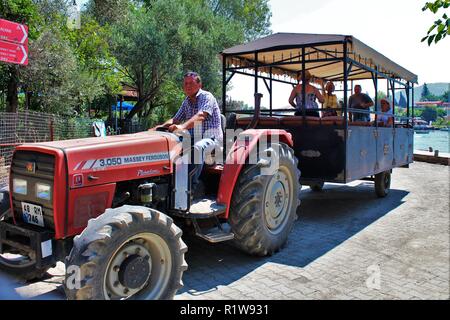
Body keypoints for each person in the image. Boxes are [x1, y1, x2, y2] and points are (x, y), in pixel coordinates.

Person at [150, 71, 222, 191]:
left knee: (198, 148)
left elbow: (201, 116)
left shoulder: (206, 96)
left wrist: (182, 127)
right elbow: (175, 119)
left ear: (199, 85)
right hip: (192, 138)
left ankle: (189, 189)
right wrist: (158, 128)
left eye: (191, 83)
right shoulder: (187, 101)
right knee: (168, 145)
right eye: (185, 83)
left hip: (212, 139)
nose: (187, 86)